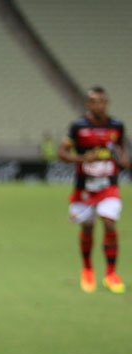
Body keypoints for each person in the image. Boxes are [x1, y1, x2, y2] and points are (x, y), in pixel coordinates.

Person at [57, 86, 130, 293]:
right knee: (87, 228)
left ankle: (111, 274)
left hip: (108, 185)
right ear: (88, 104)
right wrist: (82, 158)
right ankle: (87, 269)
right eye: (94, 101)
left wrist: (124, 159)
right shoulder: (78, 127)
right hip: (85, 188)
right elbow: (61, 153)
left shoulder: (117, 126)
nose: (99, 105)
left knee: (109, 223)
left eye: (102, 101)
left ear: (107, 103)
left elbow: (121, 148)